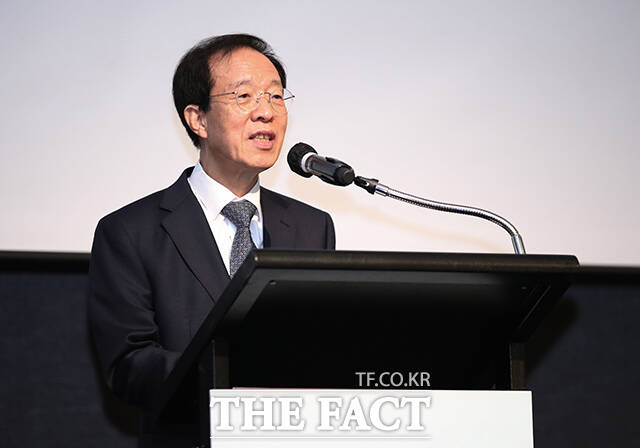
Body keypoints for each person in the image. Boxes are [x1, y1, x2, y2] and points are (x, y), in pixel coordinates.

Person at [87, 34, 335, 445]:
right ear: (197, 119)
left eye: (276, 97)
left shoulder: (312, 227)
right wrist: (231, 377)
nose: (266, 112)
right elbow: (129, 366)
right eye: (244, 96)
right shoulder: (130, 232)